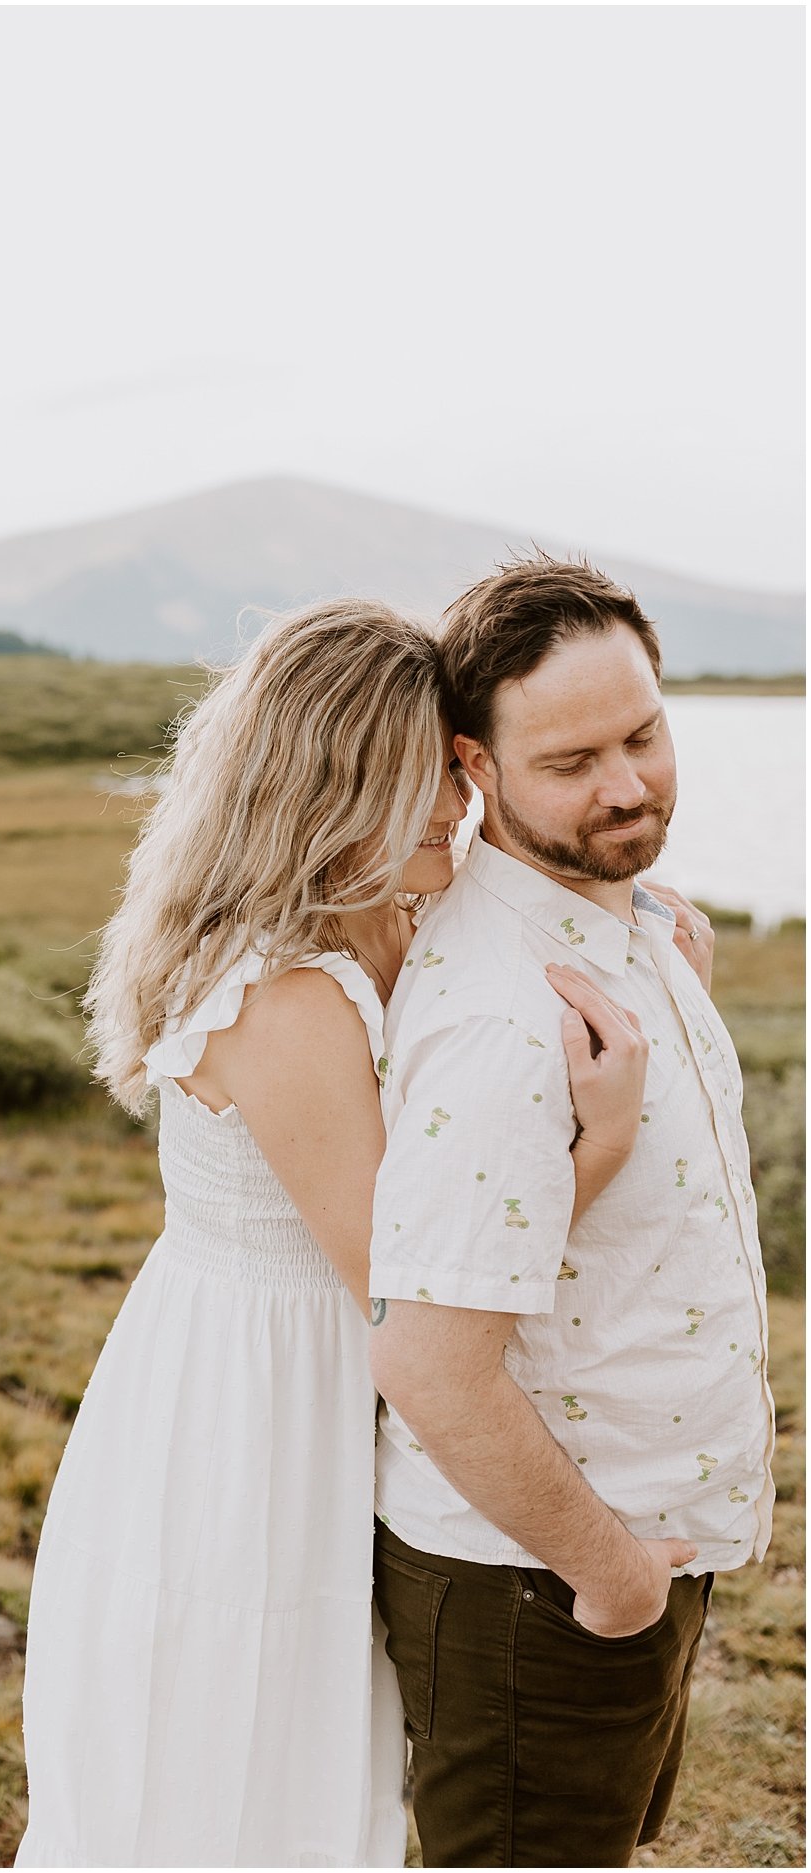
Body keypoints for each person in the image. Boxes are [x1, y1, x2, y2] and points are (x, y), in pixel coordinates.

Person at [16, 601, 642, 1866]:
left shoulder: (396, 905)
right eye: (421, 779)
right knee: (238, 1771)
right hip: (248, 1416)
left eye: (460, 771)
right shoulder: (283, 991)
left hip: (308, 1378)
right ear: (330, 783)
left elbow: (531, 905)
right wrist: (602, 1146)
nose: (454, 811)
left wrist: (646, 911)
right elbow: (398, 1271)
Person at [367, 556, 772, 1867]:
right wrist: (609, 1573)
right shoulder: (502, 1014)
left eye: (645, 735)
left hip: (623, 1554)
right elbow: (427, 1361)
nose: (629, 785)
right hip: (537, 1579)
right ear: (476, 767)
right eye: (574, 759)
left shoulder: (641, 924)